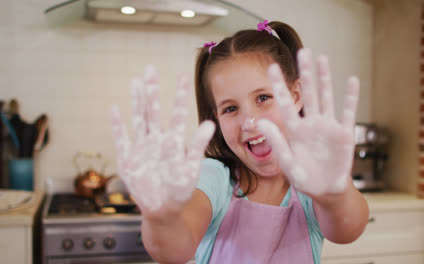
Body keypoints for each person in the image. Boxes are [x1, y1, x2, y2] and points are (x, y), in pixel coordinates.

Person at [111, 20, 369, 264]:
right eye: (230, 108)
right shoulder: (214, 178)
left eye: (263, 98)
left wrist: (335, 196)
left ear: (295, 95)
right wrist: (161, 220)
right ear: (217, 120)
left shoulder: (310, 183)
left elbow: (346, 231)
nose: (249, 121)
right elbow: (176, 249)